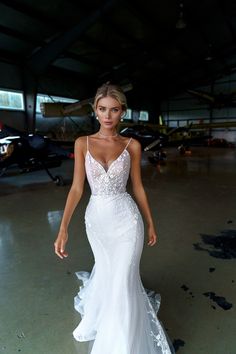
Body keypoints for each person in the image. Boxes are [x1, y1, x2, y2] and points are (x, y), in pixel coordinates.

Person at [54, 83, 174, 354]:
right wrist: (63, 229)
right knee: (109, 273)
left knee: (123, 279)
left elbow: (139, 187)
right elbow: (76, 188)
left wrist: (151, 221)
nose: (107, 115)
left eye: (114, 110)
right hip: (97, 222)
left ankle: (122, 344)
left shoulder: (132, 146)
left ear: (122, 112)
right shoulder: (82, 143)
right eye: (102, 109)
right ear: (95, 111)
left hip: (127, 222)